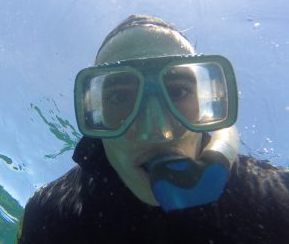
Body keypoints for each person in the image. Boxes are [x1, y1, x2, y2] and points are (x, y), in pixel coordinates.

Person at [17, 15, 289, 244]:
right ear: (95, 119)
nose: (157, 131)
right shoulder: (50, 217)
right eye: (120, 98)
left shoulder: (275, 199)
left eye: (180, 91)